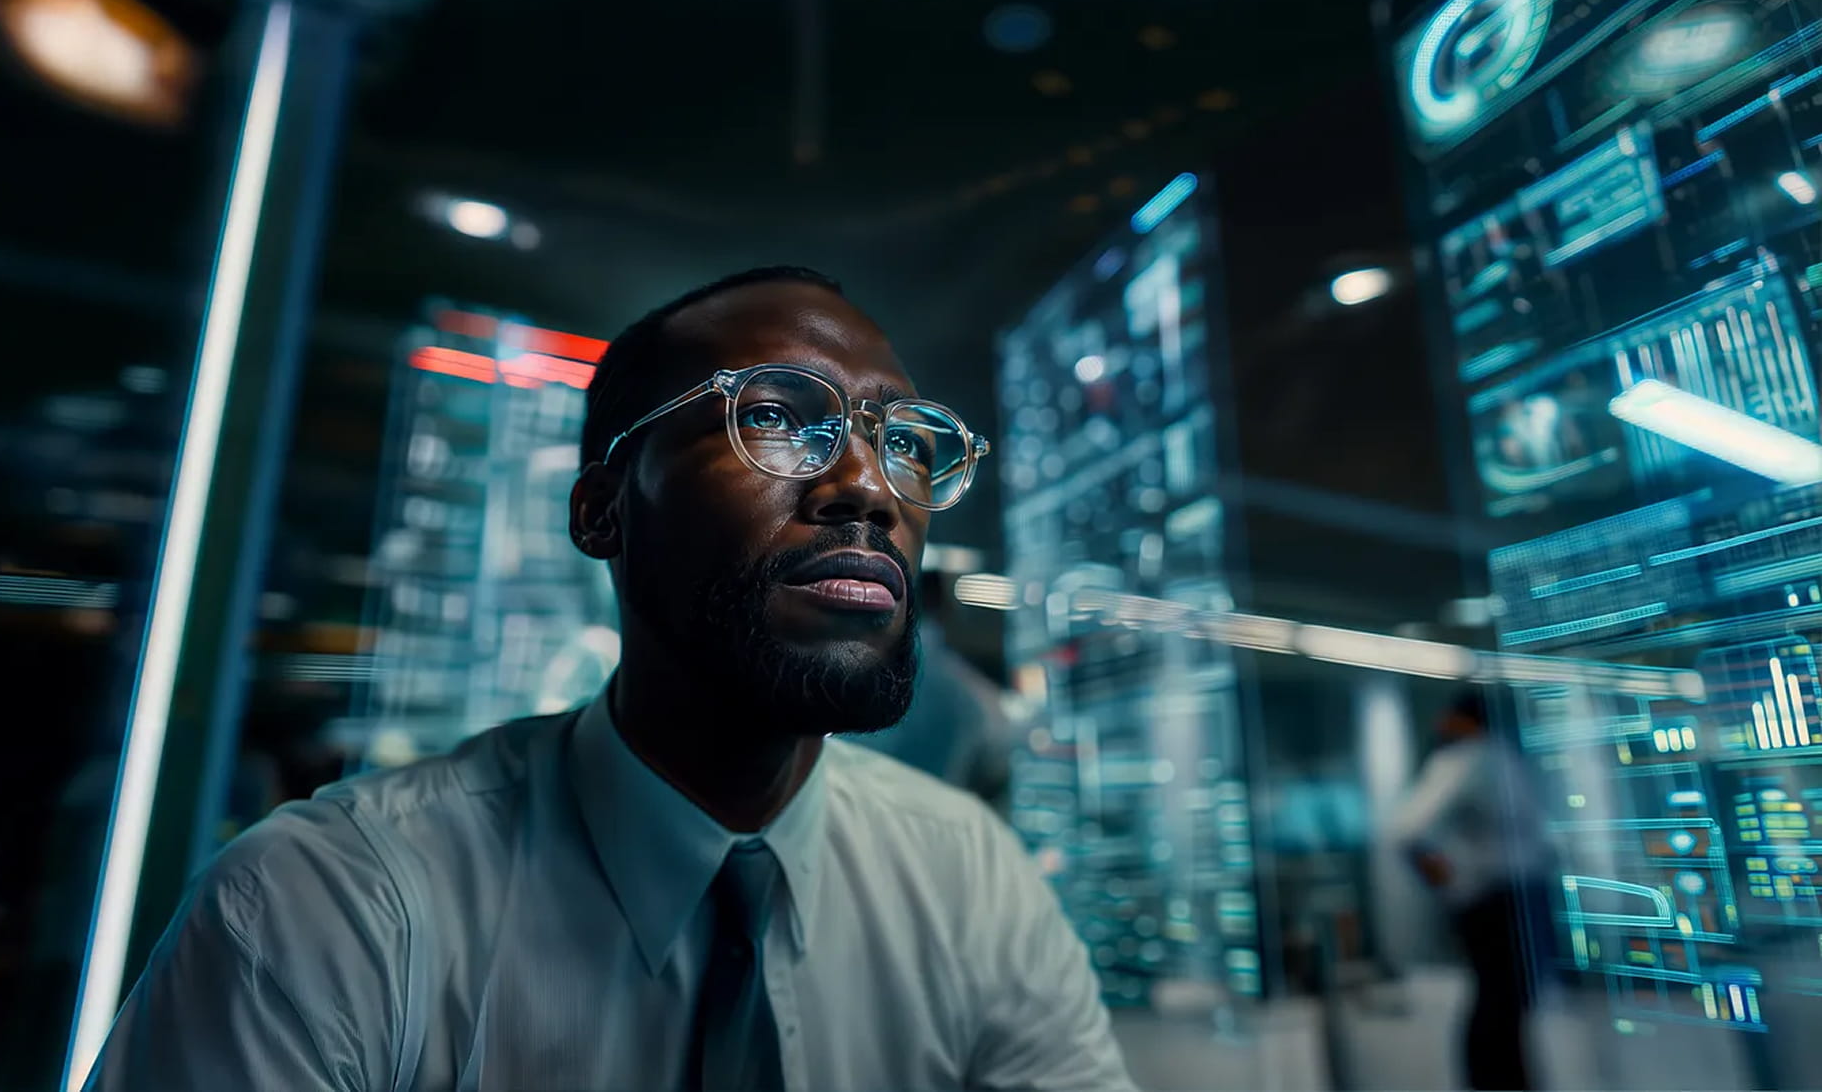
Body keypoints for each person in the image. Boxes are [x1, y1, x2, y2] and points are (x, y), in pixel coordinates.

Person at [84, 267, 1134, 1091]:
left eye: (904, 440)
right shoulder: (331, 909)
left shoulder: (967, 881)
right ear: (601, 509)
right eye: (774, 414)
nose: (867, 484)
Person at [1387, 689, 1556, 1092]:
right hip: (1492, 899)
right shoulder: (1465, 760)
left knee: (1511, 1001)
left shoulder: (1487, 757)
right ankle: (1494, 1081)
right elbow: (1406, 831)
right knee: (1499, 999)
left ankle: (1509, 1079)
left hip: (1512, 895)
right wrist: (1452, 882)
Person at [848, 570, 1012, 805]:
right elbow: (998, 761)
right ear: (946, 608)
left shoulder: (848, 674)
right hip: (932, 826)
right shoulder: (969, 693)